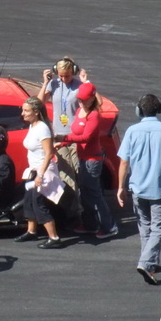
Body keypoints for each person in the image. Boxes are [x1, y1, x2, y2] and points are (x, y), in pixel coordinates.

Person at [116, 94, 161, 285]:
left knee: (144, 226)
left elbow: (124, 161)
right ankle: (145, 261)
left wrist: (120, 187)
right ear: (159, 110)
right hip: (159, 189)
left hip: (138, 188)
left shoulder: (132, 131)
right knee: (159, 226)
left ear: (139, 111)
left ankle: (150, 263)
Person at [55, 82, 119, 238]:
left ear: (92, 99)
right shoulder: (79, 111)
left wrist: (64, 138)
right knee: (85, 193)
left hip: (92, 160)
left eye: (84, 99)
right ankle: (90, 224)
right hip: (83, 158)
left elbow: (86, 137)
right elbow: (75, 133)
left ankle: (109, 226)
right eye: (79, 99)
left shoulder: (94, 115)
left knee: (94, 194)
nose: (81, 102)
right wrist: (62, 143)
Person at [38, 56, 86, 221]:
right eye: (61, 75)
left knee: (80, 173)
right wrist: (45, 82)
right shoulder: (54, 84)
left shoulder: (79, 86)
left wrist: (86, 83)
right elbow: (39, 103)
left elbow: (93, 105)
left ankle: (83, 210)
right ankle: (76, 213)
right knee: (67, 176)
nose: (64, 79)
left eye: (67, 76)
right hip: (59, 137)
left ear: (73, 72)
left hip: (77, 137)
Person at [15, 96, 64, 249]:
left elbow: (49, 154)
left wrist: (40, 175)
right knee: (29, 200)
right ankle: (32, 231)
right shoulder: (33, 125)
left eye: (26, 111)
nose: (23, 114)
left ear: (36, 112)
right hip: (34, 171)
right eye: (22, 110)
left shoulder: (42, 128)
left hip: (43, 172)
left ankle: (54, 237)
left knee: (39, 203)